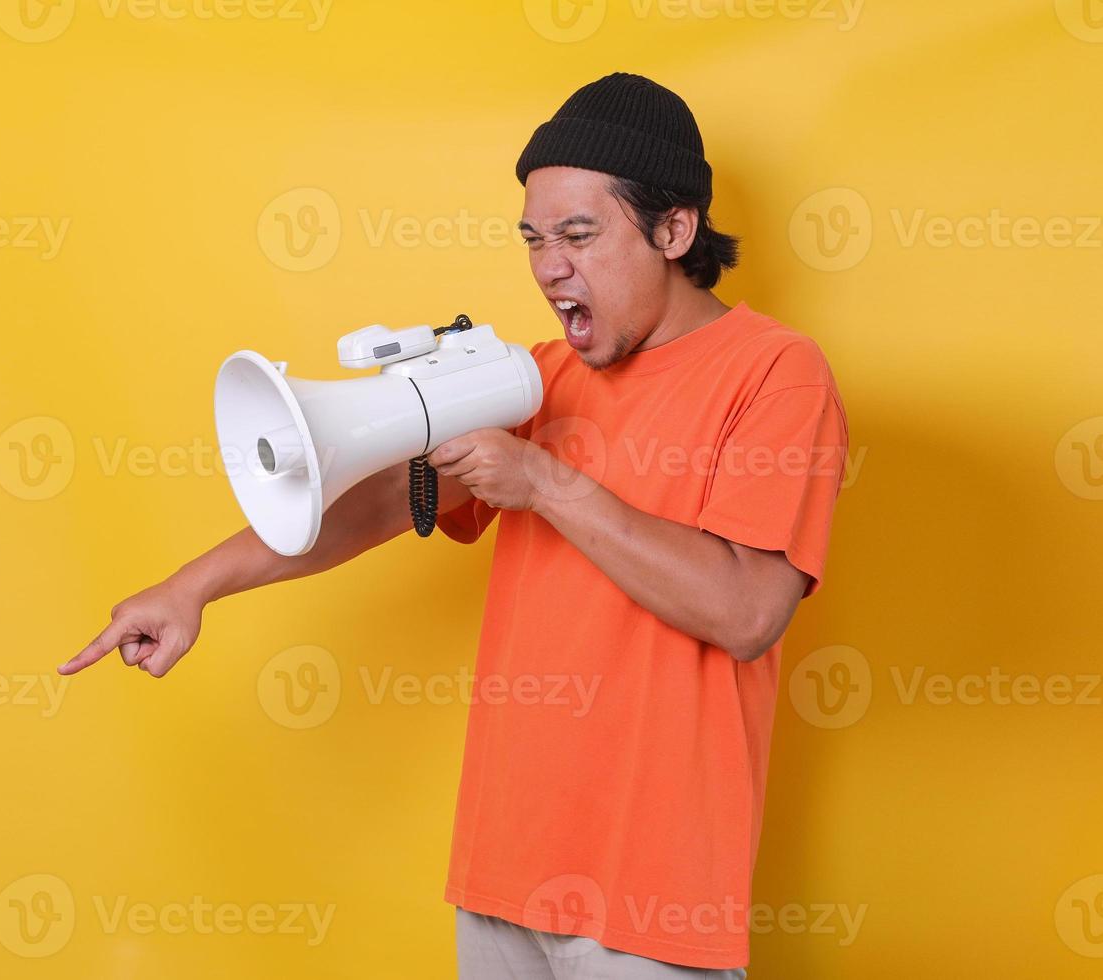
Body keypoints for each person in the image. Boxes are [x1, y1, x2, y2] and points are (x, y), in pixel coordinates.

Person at [58, 72, 849, 979]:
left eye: (581, 235)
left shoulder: (777, 374)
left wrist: (546, 482)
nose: (551, 266)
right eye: (534, 238)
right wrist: (191, 586)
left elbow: (747, 611)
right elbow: (372, 502)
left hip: (652, 896)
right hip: (504, 878)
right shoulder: (534, 376)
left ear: (675, 230)